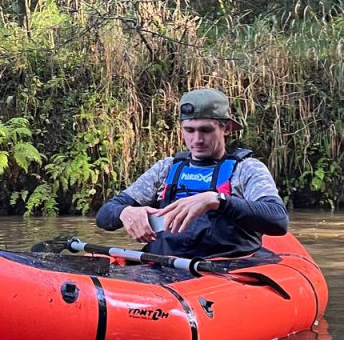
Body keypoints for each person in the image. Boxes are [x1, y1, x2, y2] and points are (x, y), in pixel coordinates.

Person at [95, 88, 289, 258]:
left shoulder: (246, 169)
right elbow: (104, 216)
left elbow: (278, 220)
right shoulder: (167, 168)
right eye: (189, 130)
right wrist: (124, 212)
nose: (197, 139)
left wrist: (217, 201)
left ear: (226, 128)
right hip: (166, 269)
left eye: (206, 130)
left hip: (223, 273)